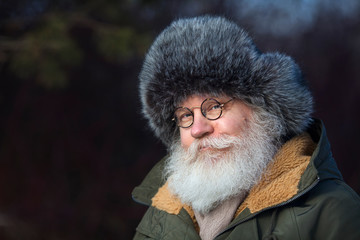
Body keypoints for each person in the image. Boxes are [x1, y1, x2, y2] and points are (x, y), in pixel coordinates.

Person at [132, 16, 360, 240]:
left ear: (261, 110)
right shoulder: (160, 218)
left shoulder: (330, 211)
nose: (197, 129)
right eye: (185, 115)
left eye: (213, 107)